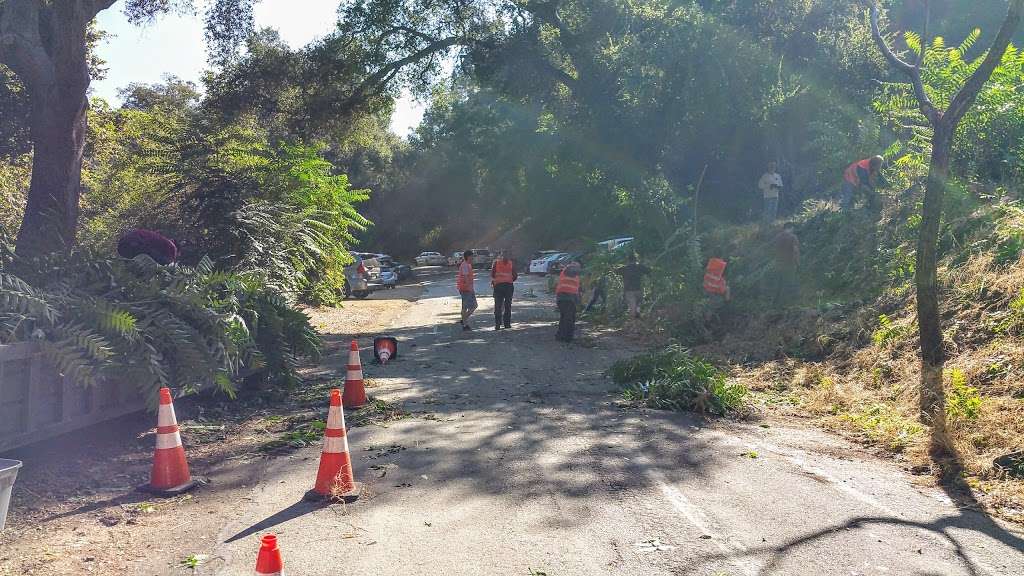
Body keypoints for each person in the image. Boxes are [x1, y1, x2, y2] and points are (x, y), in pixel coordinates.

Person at [774, 223, 800, 307]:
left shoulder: (777, 237)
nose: (793, 230)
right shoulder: (793, 237)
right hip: (790, 263)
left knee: (779, 283)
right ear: (789, 228)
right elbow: (795, 250)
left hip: (779, 263)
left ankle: (776, 302)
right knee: (790, 281)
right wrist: (797, 262)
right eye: (792, 228)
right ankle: (789, 303)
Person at [616, 253, 650, 319]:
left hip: (629, 291)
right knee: (638, 305)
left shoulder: (624, 268)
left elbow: (616, 271)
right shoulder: (640, 267)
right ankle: (637, 321)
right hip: (638, 289)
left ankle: (633, 324)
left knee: (632, 307)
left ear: (628, 260)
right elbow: (649, 271)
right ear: (636, 260)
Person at [555, 260, 582, 342]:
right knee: (569, 318)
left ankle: (561, 336)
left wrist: (578, 300)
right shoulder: (569, 270)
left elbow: (577, 289)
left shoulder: (572, 274)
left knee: (565, 317)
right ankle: (567, 337)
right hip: (566, 297)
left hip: (565, 298)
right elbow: (573, 270)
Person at [490, 251, 518, 330]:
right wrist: (509, 279)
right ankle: (507, 324)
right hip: (508, 286)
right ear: (508, 256)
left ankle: (497, 324)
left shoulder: (496, 263)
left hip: (498, 286)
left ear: (501, 256)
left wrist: (497, 280)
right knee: (508, 305)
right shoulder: (511, 263)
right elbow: (515, 276)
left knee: (498, 305)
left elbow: (492, 274)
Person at [457, 250, 477, 331]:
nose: (473, 258)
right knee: (469, 306)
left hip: (467, 288)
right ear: (468, 256)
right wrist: (470, 289)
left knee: (469, 306)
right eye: (472, 256)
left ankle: (464, 320)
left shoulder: (468, 265)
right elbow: (465, 278)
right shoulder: (465, 265)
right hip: (465, 289)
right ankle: (465, 324)